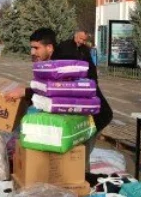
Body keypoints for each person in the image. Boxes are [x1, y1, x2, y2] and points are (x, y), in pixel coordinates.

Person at [28, 28, 113, 168]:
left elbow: (56, 89)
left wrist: (26, 93)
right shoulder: (51, 63)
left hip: (93, 117)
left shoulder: (62, 63)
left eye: (36, 48)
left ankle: (84, 185)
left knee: (77, 162)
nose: (33, 52)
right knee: (72, 160)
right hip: (78, 115)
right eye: (31, 48)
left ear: (49, 48)